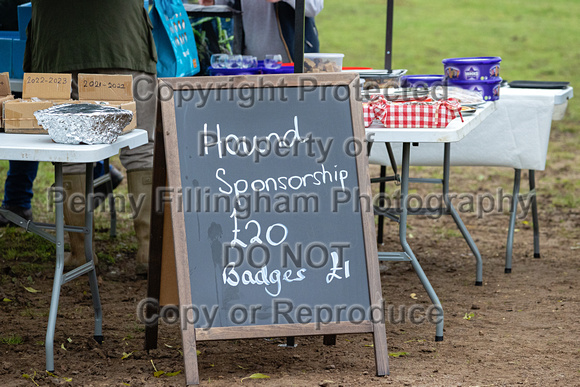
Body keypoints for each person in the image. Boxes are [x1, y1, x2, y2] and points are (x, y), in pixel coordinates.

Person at [23, 0, 158, 275]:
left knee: (69, 151)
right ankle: (149, 251)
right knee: (141, 148)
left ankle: (80, 253)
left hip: (59, 44)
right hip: (124, 41)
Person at [199, 0, 323, 63]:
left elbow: (314, 6)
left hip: (292, 64)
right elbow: (225, 5)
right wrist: (211, 2)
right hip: (248, 65)